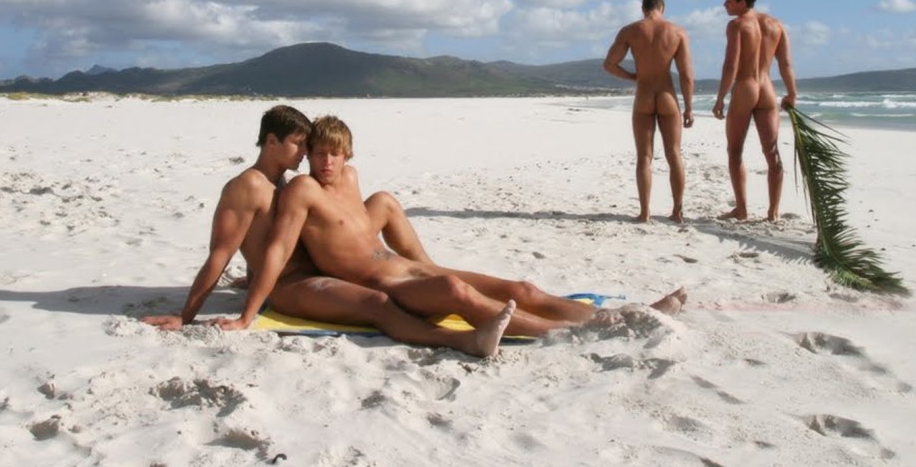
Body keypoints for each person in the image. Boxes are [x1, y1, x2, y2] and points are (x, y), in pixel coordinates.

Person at [216, 115, 687, 339]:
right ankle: (571, 331)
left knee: (519, 287)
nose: (325, 162)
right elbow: (279, 249)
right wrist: (252, 298)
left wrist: (433, 271)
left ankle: (628, 313)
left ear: (348, 154)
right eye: (317, 153)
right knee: (460, 294)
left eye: (334, 154)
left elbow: (347, 230)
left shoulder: (353, 180)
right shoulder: (302, 190)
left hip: (409, 268)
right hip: (386, 285)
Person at [141, 104, 514, 358]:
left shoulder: (281, 181)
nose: (306, 154)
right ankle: (463, 341)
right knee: (378, 304)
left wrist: (251, 275)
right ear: (271, 142)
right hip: (292, 287)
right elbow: (220, 253)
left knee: (402, 290)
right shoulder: (248, 186)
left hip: (316, 276)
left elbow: (267, 239)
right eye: (298, 145)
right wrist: (188, 316)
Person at [603, 0, 695, 223]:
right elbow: (686, 75)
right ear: (662, 8)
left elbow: (609, 64)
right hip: (667, 96)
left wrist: (634, 76)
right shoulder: (677, 32)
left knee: (644, 157)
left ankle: (645, 213)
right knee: (674, 153)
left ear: (643, 8)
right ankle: (677, 211)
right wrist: (689, 107)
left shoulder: (630, 31)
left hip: (644, 95)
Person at [711, 0, 797, 222]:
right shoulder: (776, 25)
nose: (724, 4)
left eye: (729, 0)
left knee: (734, 151)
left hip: (745, 87)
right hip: (767, 89)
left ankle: (741, 209)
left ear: (742, 2)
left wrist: (720, 98)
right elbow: (785, 63)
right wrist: (792, 93)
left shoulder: (737, 25)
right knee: (772, 152)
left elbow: (731, 65)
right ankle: (773, 212)